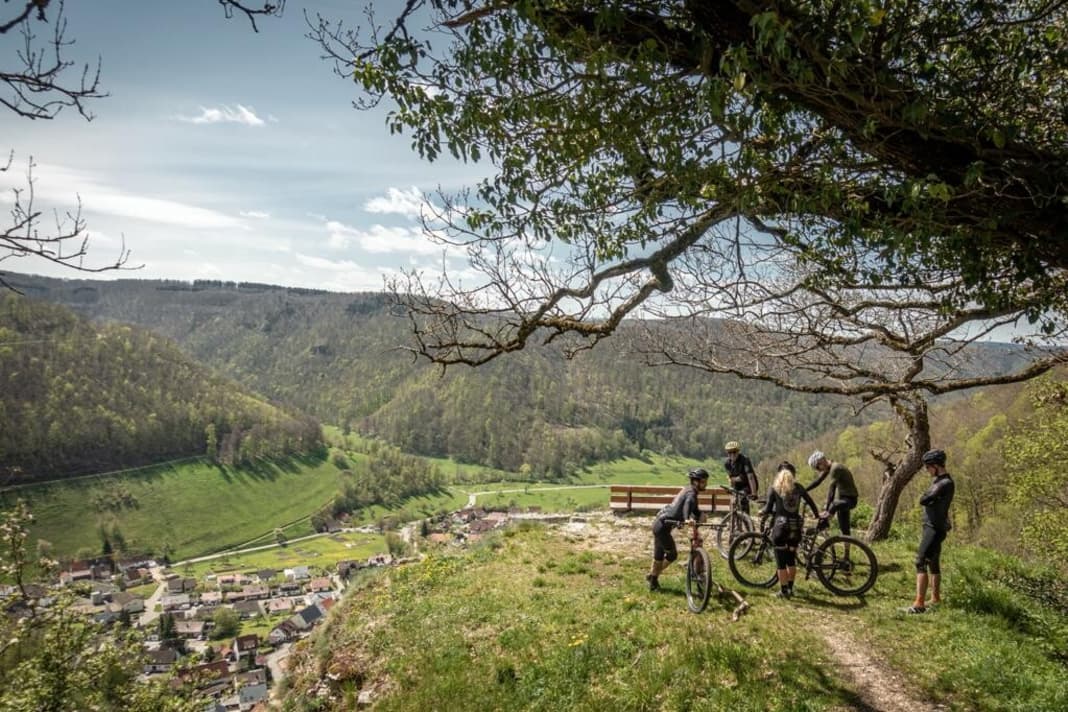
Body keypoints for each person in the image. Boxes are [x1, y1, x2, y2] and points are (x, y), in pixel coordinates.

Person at [759, 461, 821, 598]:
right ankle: (791, 589)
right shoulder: (798, 487)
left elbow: (768, 509)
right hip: (795, 528)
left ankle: (783, 591)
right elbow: (810, 502)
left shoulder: (774, 488)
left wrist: (761, 512)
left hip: (780, 528)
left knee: (781, 563)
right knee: (791, 560)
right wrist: (817, 515)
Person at [907, 449, 955, 614]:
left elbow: (925, 499)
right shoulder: (940, 481)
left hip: (934, 528)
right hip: (934, 526)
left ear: (935, 466)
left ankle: (919, 604)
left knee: (920, 561)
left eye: (928, 467)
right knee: (934, 563)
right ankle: (935, 598)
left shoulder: (944, 483)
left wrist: (927, 496)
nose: (927, 470)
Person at [647, 468, 709, 591]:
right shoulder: (691, 494)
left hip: (660, 524)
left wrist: (701, 515)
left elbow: (694, 509)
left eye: (706, 481)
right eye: (703, 481)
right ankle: (653, 577)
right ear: (695, 482)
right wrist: (686, 519)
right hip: (662, 528)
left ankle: (652, 579)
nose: (705, 483)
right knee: (672, 555)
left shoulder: (689, 490)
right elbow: (687, 505)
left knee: (658, 557)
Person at [806, 450, 859, 536]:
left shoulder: (835, 468)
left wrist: (827, 510)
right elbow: (818, 481)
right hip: (842, 500)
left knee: (833, 505)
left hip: (850, 500)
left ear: (822, 461)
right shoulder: (829, 467)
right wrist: (804, 490)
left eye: (818, 467)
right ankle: (846, 549)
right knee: (844, 529)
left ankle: (823, 525)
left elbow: (832, 490)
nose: (819, 470)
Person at [723, 441, 758, 514]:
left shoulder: (745, 460)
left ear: (738, 451)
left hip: (748, 485)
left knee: (743, 499)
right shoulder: (727, 463)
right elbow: (731, 479)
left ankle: (747, 522)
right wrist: (731, 490)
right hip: (737, 485)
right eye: (729, 452)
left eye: (734, 452)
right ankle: (732, 521)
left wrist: (754, 493)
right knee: (733, 502)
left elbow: (750, 477)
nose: (732, 454)